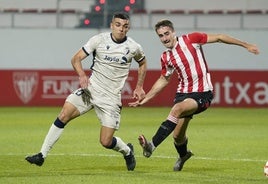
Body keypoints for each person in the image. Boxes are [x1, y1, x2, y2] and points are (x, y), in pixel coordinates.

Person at [129, 19, 259, 171]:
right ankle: (184, 155)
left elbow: (219, 37)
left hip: (202, 93)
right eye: (161, 36)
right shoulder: (166, 57)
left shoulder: (191, 39)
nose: (164, 38)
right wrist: (146, 98)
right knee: (177, 136)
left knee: (176, 109)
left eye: (166, 34)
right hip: (182, 94)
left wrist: (246, 45)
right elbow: (164, 79)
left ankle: (151, 146)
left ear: (173, 32)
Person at [25, 12, 147, 171]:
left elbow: (142, 63)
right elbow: (75, 59)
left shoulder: (133, 47)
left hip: (110, 99)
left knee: (105, 141)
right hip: (91, 91)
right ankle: (42, 155)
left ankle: (127, 151)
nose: (121, 29)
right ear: (111, 25)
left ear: (128, 28)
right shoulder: (99, 40)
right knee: (64, 114)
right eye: (117, 25)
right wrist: (82, 75)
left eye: (125, 26)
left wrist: (139, 86)